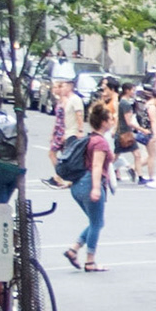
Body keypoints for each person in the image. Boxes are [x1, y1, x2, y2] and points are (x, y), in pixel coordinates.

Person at [64, 100, 113, 272]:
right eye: (111, 119)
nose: (113, 121)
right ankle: (90, 261)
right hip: (89, 183)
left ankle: (73, 249)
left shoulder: (89, 139)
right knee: (97, 222)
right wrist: (96, 188)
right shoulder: (100, 143)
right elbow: (97, 166)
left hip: (78, 184)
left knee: (96, 222)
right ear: (104, 122)